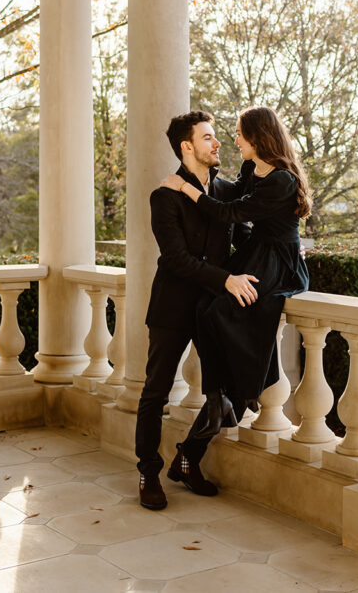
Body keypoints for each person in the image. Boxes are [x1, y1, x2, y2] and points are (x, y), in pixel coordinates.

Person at [160, 106, 311, 469]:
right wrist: (196, 176)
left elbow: (230, 213)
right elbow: (229, 196)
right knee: (204, 310)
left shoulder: (282, 180)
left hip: (276, 263)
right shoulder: (251, 169)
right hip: (253, 254)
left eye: (240, 134)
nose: (235, 140)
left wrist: (184, 187)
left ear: (258, 137)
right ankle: (217, 402)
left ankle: (201, 437)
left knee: (229, 326)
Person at [136, 110, 259, 511]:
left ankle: (188, 457)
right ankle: (148, 472)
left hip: (214, 311)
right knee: (156, 391)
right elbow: (175, 258)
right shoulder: (164, 195)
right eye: (208, 137)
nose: (217, 143)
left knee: (227, 392)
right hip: (173, 307)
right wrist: (224, 279)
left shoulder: (225, 194)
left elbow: (245, 241)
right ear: (187, 146)